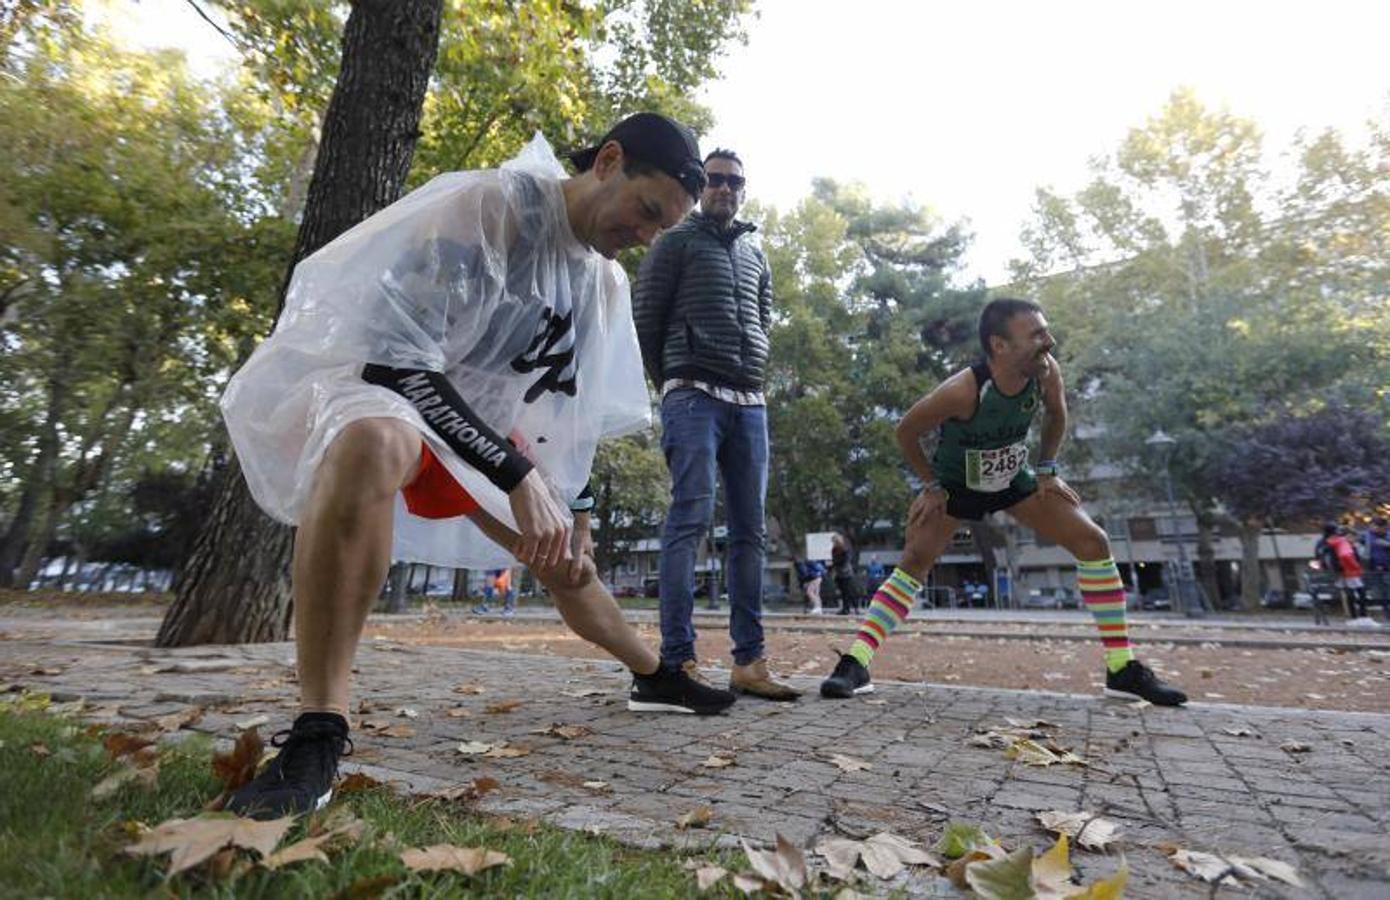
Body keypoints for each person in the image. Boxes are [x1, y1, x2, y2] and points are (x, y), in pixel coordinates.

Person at [218, 113, 739, 819]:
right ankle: (319, 730)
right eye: (647, 212)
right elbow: (397, 361)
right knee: (376, 440)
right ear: (609, 161)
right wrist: (515, 478)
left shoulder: (601, 283)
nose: (646, 237)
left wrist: (571, 509)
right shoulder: (491, 209)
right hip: (383, 395)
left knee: (568, 566)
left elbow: (566, 413)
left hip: (486, 435)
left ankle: (655, 677)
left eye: (661, 229)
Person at [820, 298, 1188, 706]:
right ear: (1000, 345)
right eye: (1036, 336)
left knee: (1094, 542)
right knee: (913, 563)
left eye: (1045, 331)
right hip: (957, 486)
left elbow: (1057, 414)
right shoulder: (963, 391)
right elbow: (906, 431)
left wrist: (1047, 468)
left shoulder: (1046, 372)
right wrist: (930, 486)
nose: (1048, 342)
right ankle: (856, 663)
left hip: (1014, 479)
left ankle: (1121, 668)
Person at [633, 148, 798, 701]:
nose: (726, 188)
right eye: (716, 179)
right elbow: (646, 319)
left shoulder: (756, 252)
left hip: (749, 401)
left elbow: (764, 317)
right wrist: (674, 381)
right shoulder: (675, 240)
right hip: (692, 396)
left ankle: (749, 663)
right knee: (690, 520)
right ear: (701, 185)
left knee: (751, 532)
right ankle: (676, 661)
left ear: (744, 190)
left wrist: (755, 371)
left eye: (735, 181)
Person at [1318, 523, 1369, 619]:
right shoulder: (1341, 542)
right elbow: (1346, 556)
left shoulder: (1325, 542)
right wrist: (1356, 567)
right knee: (1360, 592)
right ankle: (1361, 615)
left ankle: (1354, 615)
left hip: (1339, 572)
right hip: (1348, 571)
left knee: (1350, 593)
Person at [1361, 517, 1390, 616]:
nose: (1374, 529)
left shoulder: (1388, 535)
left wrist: (1388, 545)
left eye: (1378, 527)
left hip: (1387, 567)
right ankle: (1386, 612)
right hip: (1373, 567)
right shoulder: (1366, 536)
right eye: (1373, 526)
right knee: (1380, 591)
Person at [830, 533, 862, 615]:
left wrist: (835, 563)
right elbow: (834, 560)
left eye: (834, 541)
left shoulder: (845, 549)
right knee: (843, 592)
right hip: (839, 574)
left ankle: (856, 608)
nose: (833, 543)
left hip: (847, 574)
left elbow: (845, 560)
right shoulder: (834, 550)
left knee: (851, 592)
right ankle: (845, 609)